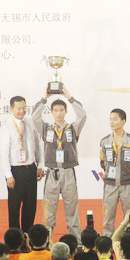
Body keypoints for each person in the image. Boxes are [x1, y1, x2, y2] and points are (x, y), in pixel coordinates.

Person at [32, 86, 87, 241]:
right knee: (49, 211)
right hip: (52, 173)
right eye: (55, 110)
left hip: (68, 172)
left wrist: (69, 97)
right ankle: (46, 242)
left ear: (66, 111)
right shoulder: (46, 128)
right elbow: (35, 117)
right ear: (51, 112)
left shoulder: (72, 128)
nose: (58, 113)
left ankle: (76, 241)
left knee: (72, 210)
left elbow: (82, 115)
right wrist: (45, 98)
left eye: (61, 110)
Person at [0, 95, 44, 233]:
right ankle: (15, 237)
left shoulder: (30, 121)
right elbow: (4, 153)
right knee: (14, 207)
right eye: (18, 108)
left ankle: (27, 236)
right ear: (11, 108)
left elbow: (38, 144)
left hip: (31, 169)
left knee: (30, 206)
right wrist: (8, 175)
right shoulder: (6, 127)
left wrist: (40, 165)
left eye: (24, 108)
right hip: (15, 171)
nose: (21, 111)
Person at [99, 109, 130, 236]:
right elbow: (102, 162)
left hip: (127, 185)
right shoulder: (104, 141)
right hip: (110, 185)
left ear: (123, 121)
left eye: (115, 119)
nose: (112, 122)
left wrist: (129, 175)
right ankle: (108, 240)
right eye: (110, 119)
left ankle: (129, 240)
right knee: (108, 217)